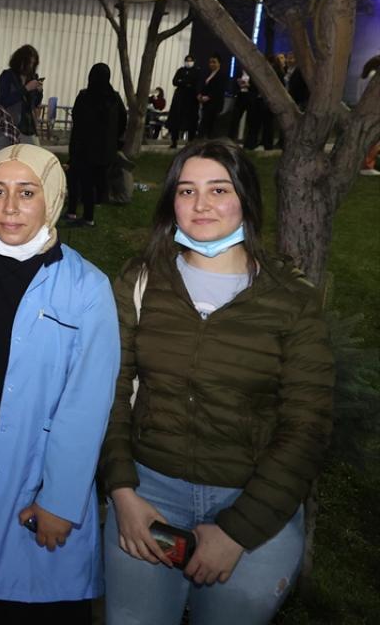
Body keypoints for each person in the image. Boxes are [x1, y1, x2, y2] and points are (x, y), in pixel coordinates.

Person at [100, 140, 333, 625]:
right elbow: (110, 394)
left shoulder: (290, 299)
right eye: (187, 190)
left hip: (253, 500)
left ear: (246, 198)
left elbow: (307, 424)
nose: (201, 204)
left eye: (219, 190)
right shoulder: (141, 282)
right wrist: (121, 492)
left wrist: (237, 532)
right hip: (149, 495)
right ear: (172, 202)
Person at [0, 143, 119, 622]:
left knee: (19, 601)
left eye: (27, 192)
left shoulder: (85, 287)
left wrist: (60, 500)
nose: (10, 207)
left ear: (52, 197)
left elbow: (87, 404)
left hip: (30, 475)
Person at [65, 63, 127, 227]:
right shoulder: (114, 98)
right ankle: (90, 210)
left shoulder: (85, 96)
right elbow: (122, 120)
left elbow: (77, 119)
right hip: (105, 149)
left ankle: (82, 215)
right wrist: (115, 140)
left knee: (80, 180)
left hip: (84, 147)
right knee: (95, 181)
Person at [0, 45, 43, 144]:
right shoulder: (7, 76)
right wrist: (25, 89)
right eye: (29, 63)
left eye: (34, 63)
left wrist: (39, 92)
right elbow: (2, 102)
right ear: (20, 61)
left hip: (28, 126)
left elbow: (35, 104)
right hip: (9, 125)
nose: (31, 66)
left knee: (33, 150)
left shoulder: (32, 77)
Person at [168, 55, 199, 148]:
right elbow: (175, 81)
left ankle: (190, 141)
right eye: (187, 60)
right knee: (176, 119)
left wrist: (183, 81)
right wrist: (185, 82)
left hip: (191, 99)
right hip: (179, 98)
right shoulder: (180, 70)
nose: (188, 62)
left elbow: (195, 82)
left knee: (191, 120)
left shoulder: (196, 71)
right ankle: (174, 141)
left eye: (190, 61)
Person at [197, 54, 229, 139]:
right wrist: (200, 94)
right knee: (204, 122)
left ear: (219, 63)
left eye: (214, 62)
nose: (212, 64)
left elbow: (219, 89)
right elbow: (204, 86)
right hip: (206, 103)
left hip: (215, 103)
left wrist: (209, 97)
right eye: (210, 62)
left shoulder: (222, 74)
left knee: (210, 124)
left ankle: (208, 140)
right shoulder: (208, 73)